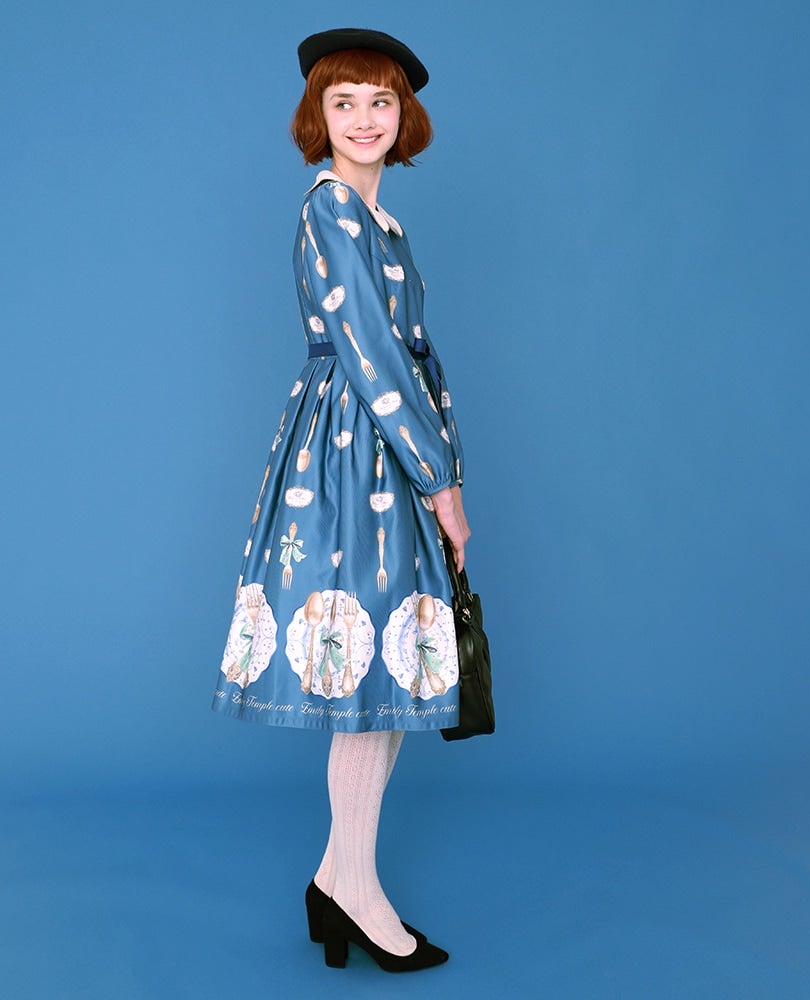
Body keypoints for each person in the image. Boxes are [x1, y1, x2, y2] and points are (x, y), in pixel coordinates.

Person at [212, 28, 471, 973]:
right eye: (344, 101)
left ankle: (337, 882)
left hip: (383, 445)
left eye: (380, 101)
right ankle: (355, 892)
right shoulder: (330, 209)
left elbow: (408, 358)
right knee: (366, 678)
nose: (364, 119)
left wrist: (442, 469)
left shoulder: (379, 221)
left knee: (386, 678)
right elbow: (371, 353)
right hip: (354, 451)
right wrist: (441, 481)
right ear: (317, 116)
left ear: (405, 116)